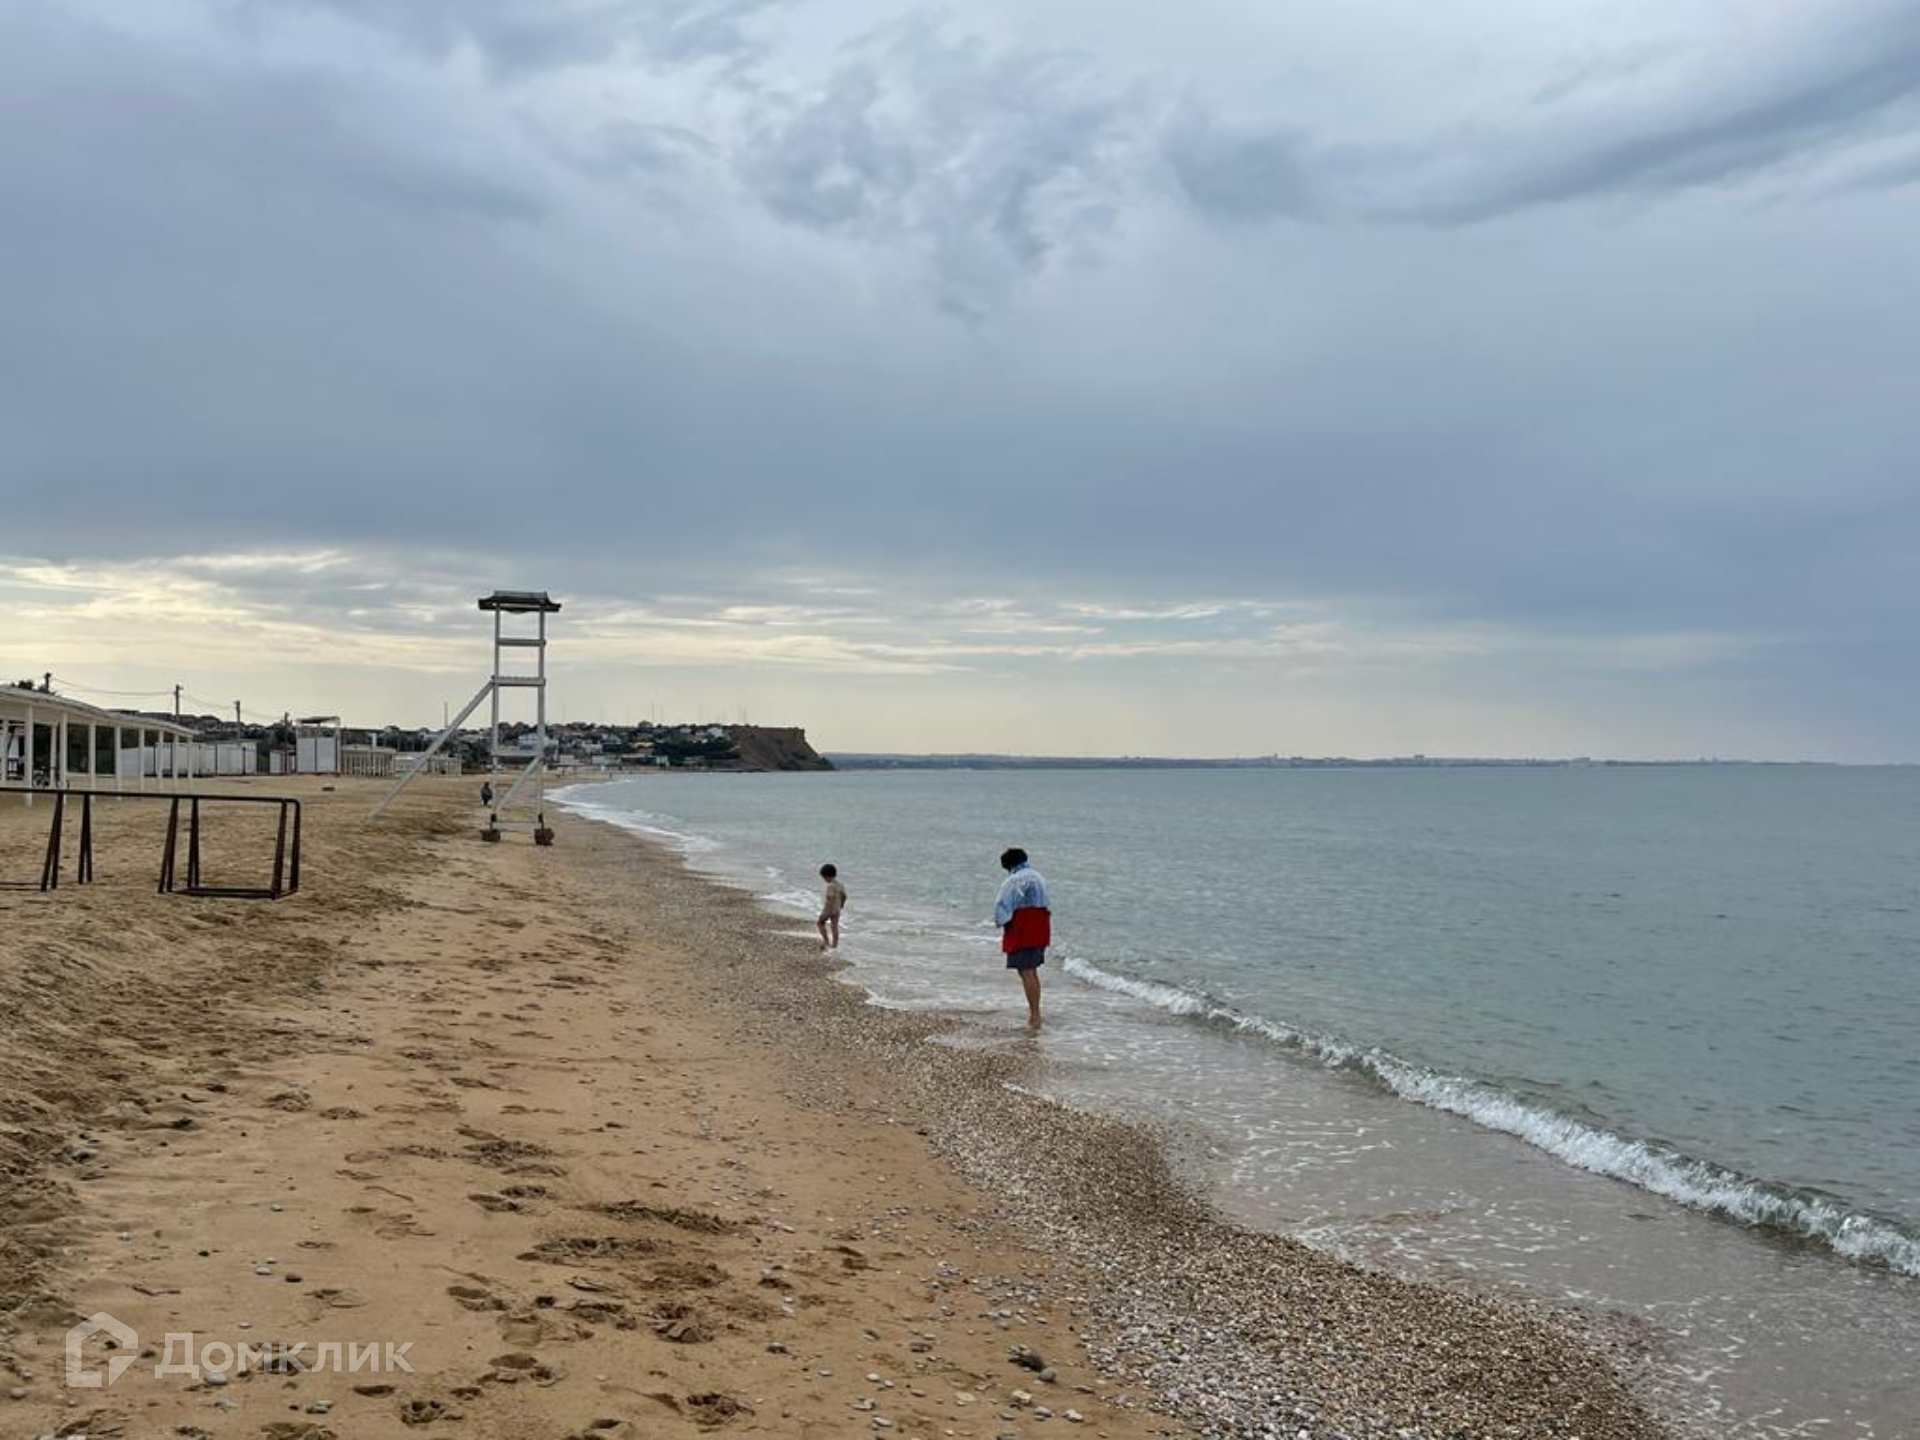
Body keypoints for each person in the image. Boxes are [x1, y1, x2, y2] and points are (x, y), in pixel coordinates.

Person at [994, 847, 1051, 1029]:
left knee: (1026, 971)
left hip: (1024, 925)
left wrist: (1000, 922)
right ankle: (1036, 1012)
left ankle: (1035, 1015)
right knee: (1031, 970)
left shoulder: (1015, 880)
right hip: (1041, 924)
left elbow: (1003, 905)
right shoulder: (1038, 876)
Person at [817, 863, 848, 951]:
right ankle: (835, 945)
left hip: (829, 909)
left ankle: (826, 941)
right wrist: (841, 905)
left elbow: (830, 898)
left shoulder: (830, 886)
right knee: (834, 927)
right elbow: (845, 896)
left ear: (826, 876)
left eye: (824, 878)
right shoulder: (840, 885)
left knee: (820, 923)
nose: (824, 880)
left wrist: (826, 910)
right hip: (837, 909)